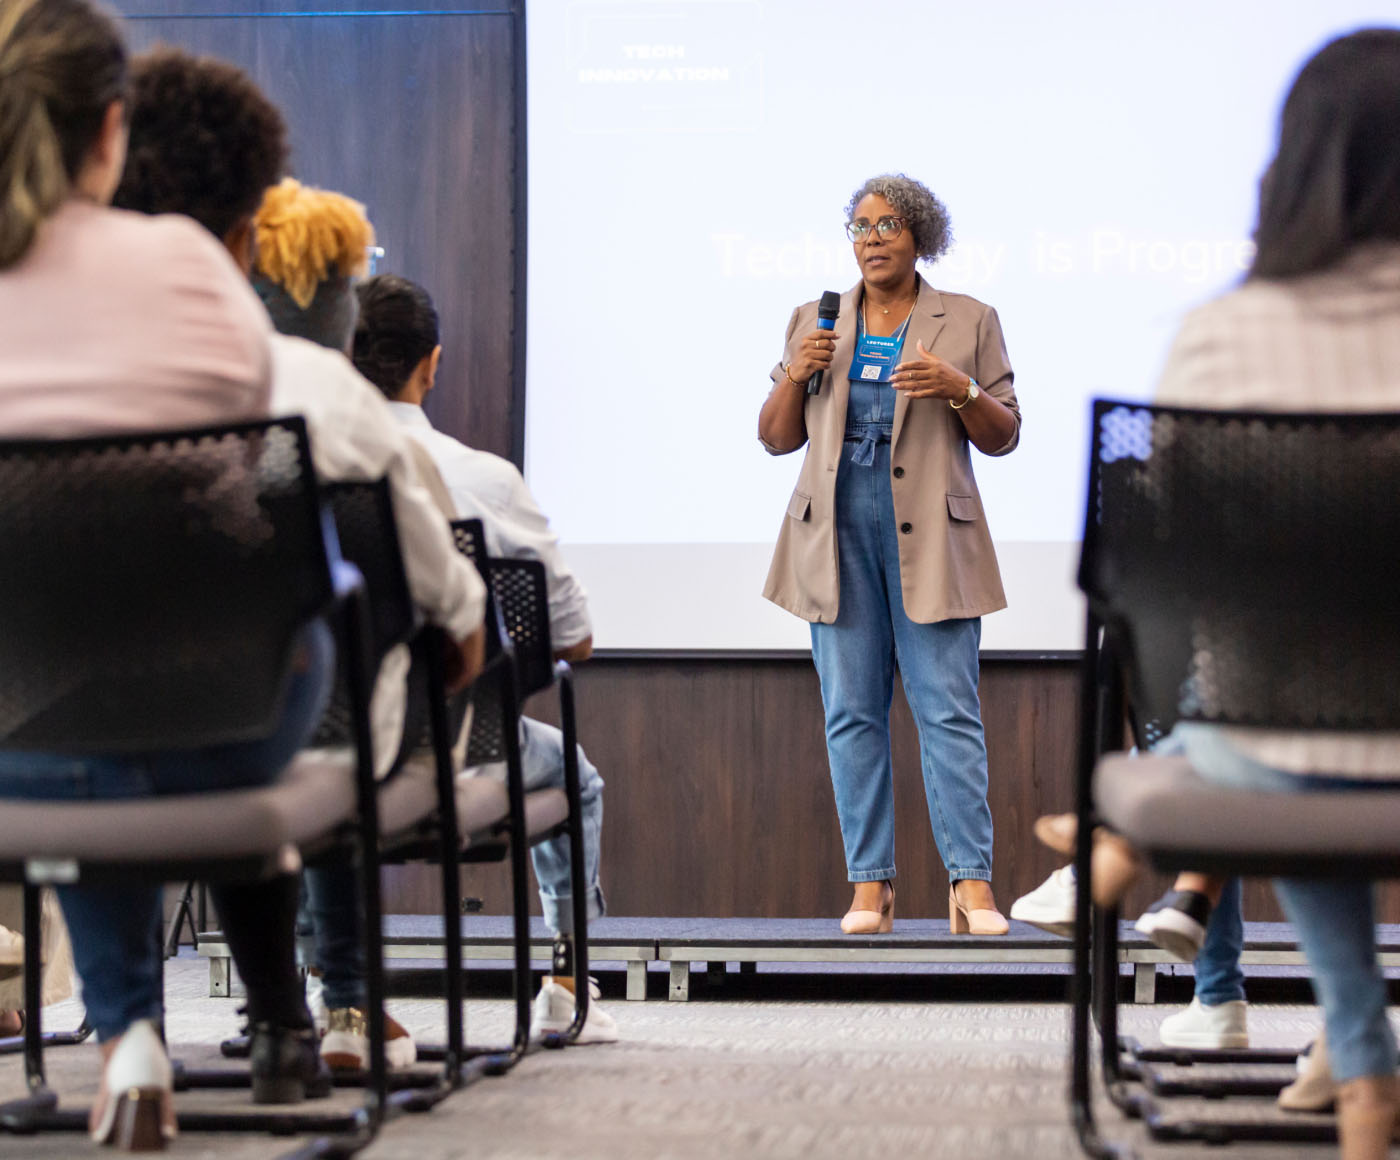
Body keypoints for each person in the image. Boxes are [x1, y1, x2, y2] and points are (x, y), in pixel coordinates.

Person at [0, 0, 341, 1147]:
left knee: (78, 711)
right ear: (112, 130)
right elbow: (263, 483)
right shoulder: (189, 264)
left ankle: (127, 1036)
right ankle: (253, 1014)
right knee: (186, 658)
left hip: (18, 728)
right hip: (235, 710)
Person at [1056, 29, 1400, 1160]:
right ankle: (1352, 1065)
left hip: (1270, 740)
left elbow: (1161, 593)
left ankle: (1357, 1067)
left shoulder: (1216, 338)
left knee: (1280, 721)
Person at [111, 51, 490, 1072]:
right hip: (298, 720)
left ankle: (129, 1031)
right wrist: (458, 634)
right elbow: (440, 582)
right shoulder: (341, 406)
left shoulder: (120, 382)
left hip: (94, 720)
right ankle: (338, 1006)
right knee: (312, 706)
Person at [351, 273, 617, 1042]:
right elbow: (575, 641)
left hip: (318, 744)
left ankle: (331, 989)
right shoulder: (483, 479)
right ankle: (569, 986)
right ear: (430, 365)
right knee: (579, 777)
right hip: (453, 743)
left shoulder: (300, 464)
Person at [757, 174, 1020, 935]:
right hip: (834, 535)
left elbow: (1004, 435)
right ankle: (870, 887)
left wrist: (960, 388)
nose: (872, 238)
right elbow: (776, 437)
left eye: (889, 224)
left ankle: (970, 885)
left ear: (921, 236)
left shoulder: (968, 319)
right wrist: (798, 372)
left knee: (948, 713)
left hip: (932, 538)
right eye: (861, 225)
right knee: (851, 714)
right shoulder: (816, 319)